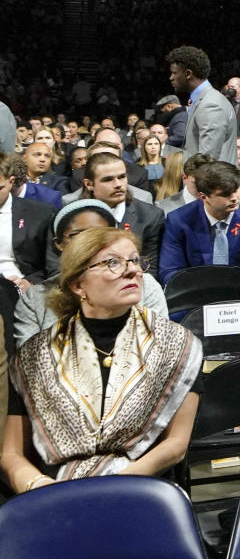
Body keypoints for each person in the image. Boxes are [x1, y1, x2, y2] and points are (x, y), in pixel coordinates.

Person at [2, 228, 200, 488]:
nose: (132, 271)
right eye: (113, 263)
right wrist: (38, 486)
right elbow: (11, 455)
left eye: (135, 261)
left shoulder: (176, 344)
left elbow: (176, 446)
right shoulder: (36, 356)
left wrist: (108, 488)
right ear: (78, 284)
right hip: (57, 490)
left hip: (144, 488)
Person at [14, 200, 168, 348]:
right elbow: (30, 362)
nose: (90, 242)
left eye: (99, 234)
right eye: (78, 235)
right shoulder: (35, 298)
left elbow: (160, 348)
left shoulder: (143, 284)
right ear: (59, 243)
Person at [158, 161, 240, 283]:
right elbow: (170, 272)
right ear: (203, 197)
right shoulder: (179, 221)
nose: (234, 198)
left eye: (236, 190)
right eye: (225, 194)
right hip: (193, 293)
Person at [1, 153, 55, 355]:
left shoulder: (39, 213)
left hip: (23, 287)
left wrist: (30, 282)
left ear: (10, 181)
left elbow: (53, 264)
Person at [167, 46, 238, 164]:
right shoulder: (203, 100)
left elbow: (207, 159)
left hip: (212, 182)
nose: (171, 77)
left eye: (174, 73)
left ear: (188, 74)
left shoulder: (211, 104)